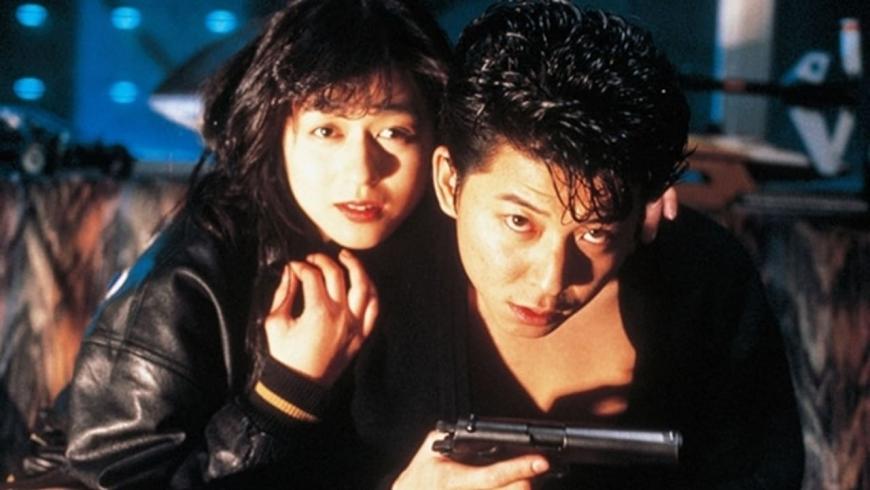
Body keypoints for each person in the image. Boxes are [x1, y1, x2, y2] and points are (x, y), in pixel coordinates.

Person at [345, 1, 805, 488]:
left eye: (594, 233)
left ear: (641, 215)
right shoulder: (365, 292)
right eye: (519, 221)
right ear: (448, 182)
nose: (551, 280)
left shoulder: (704, 283)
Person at [5, 0, 450, 488]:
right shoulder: (194, 271)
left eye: (394, 132)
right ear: (276, 133)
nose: (362, 172)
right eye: (327, 131)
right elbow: (117, 479)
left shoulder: (433, 252)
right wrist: (287, 391)